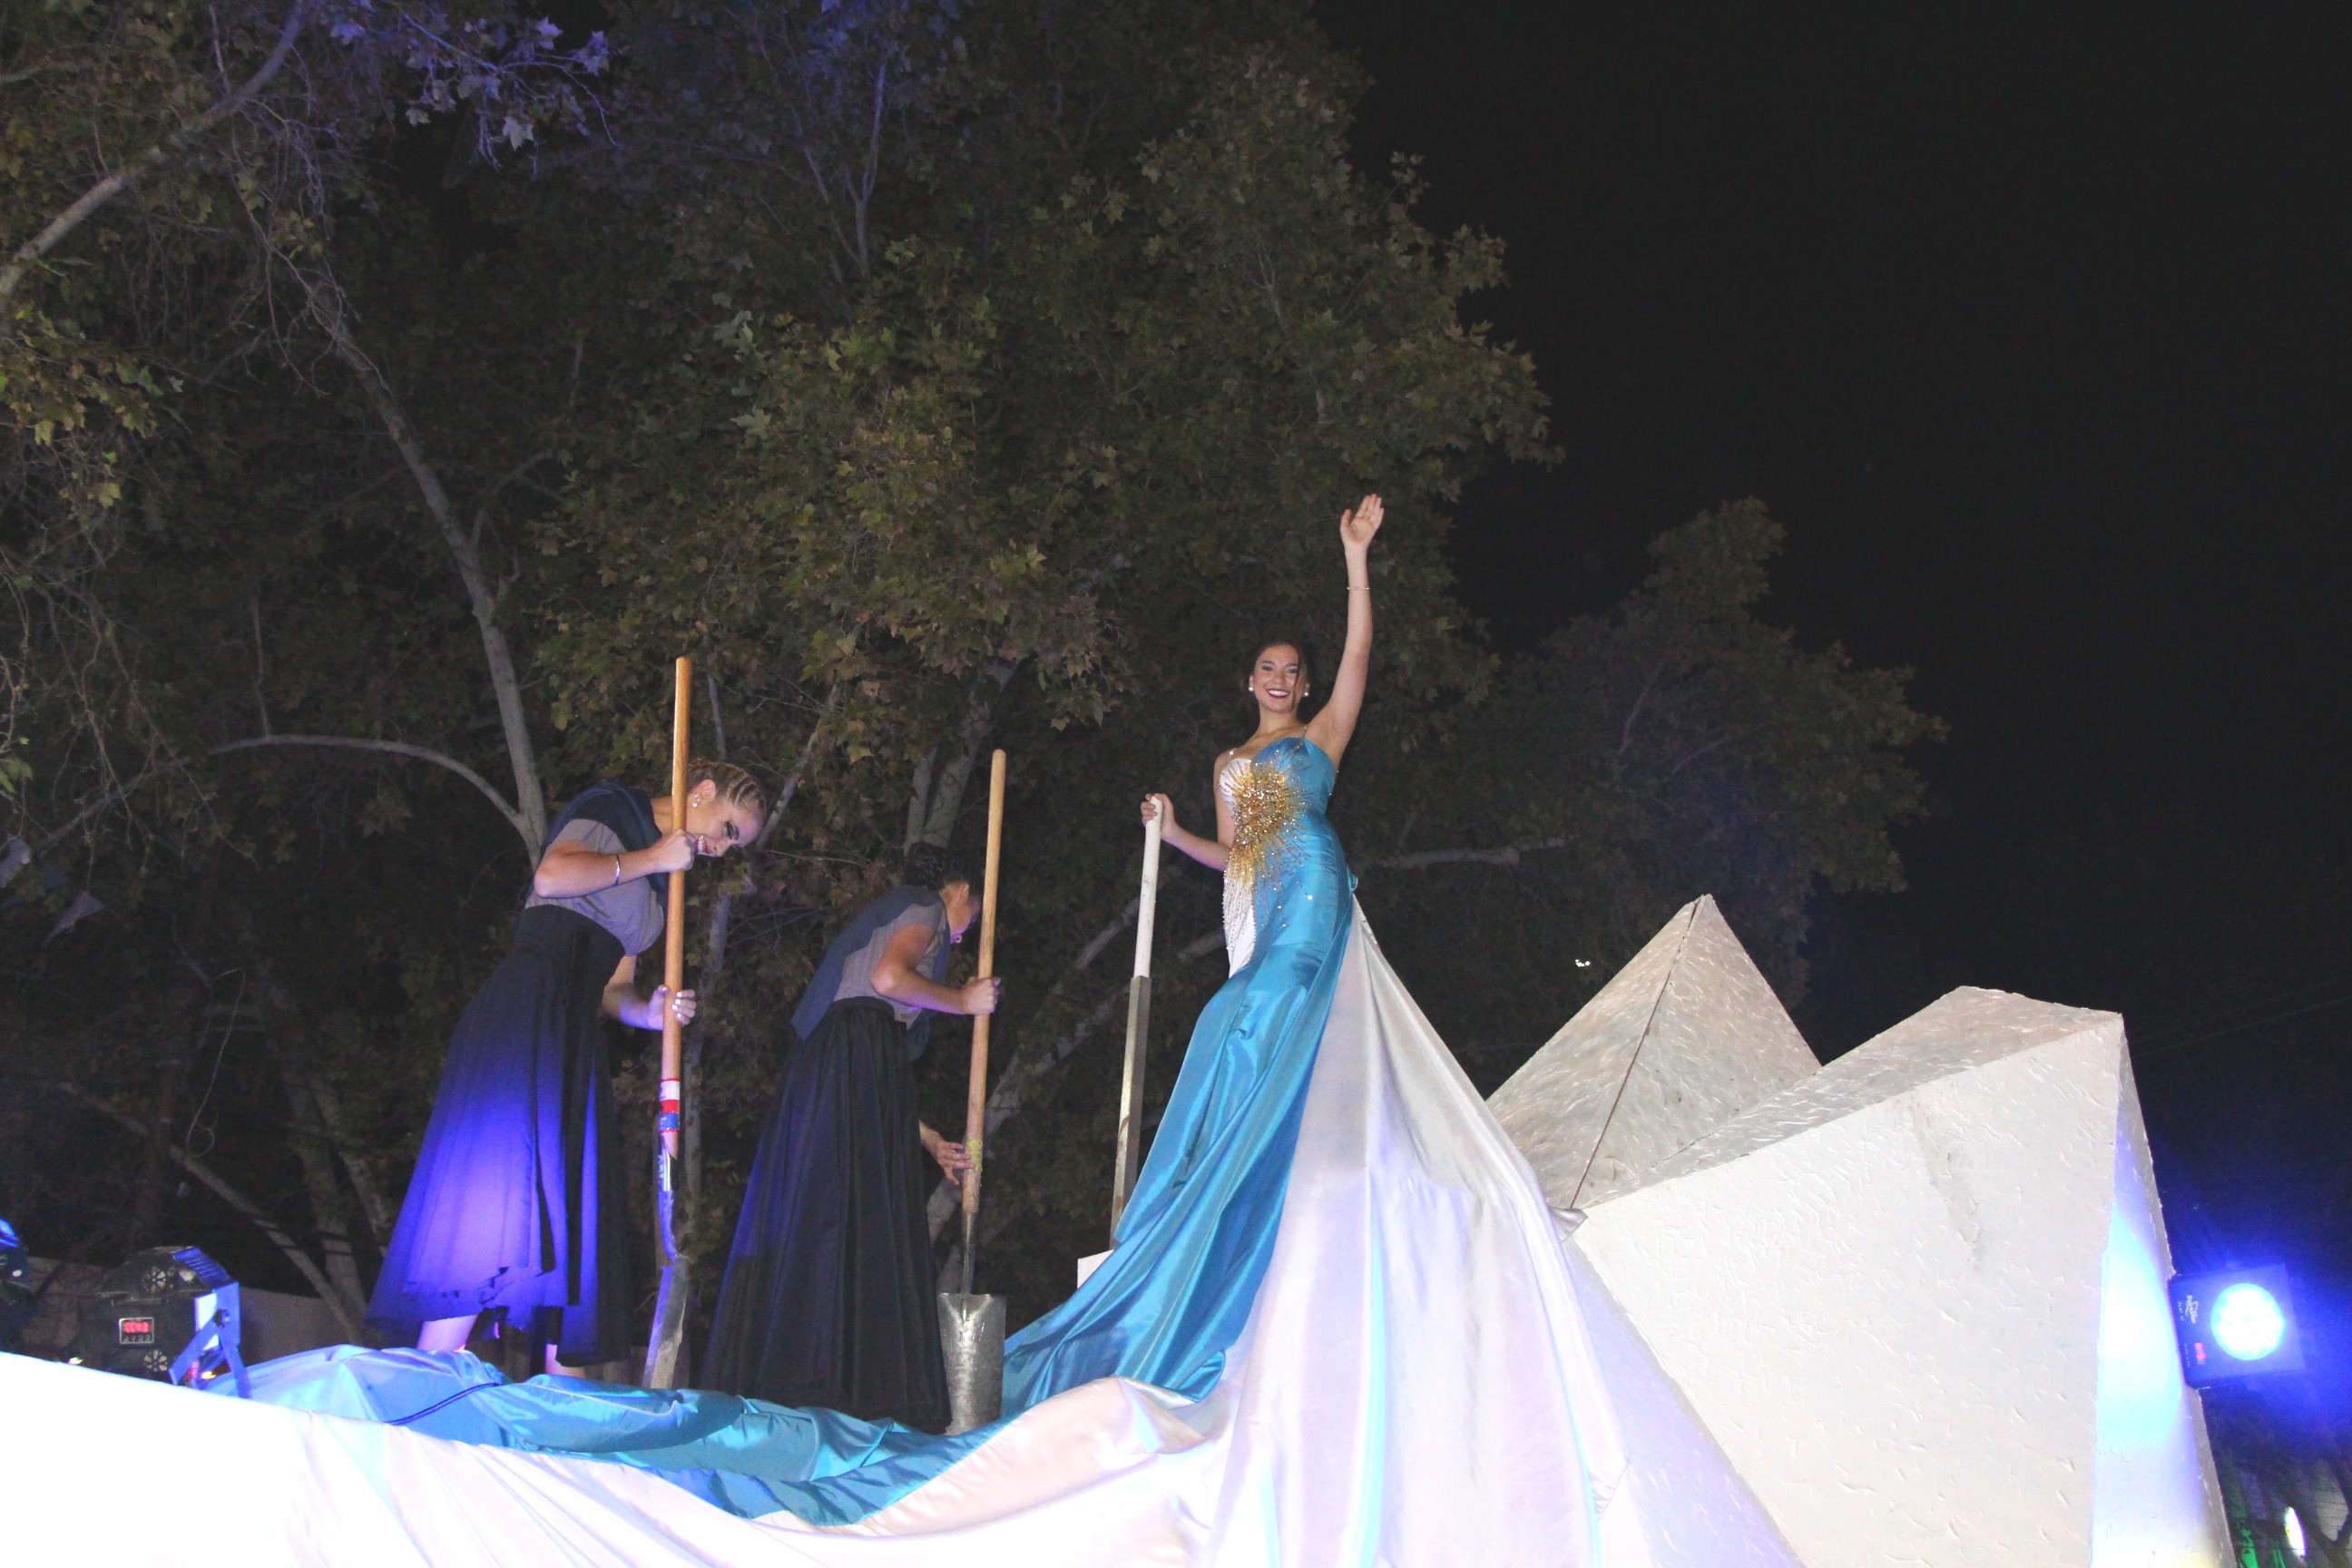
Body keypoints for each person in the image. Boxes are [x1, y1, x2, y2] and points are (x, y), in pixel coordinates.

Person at [996, 494, 1384, 1406]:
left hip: (1312, 886)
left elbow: (1360, 656)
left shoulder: (1321, 737)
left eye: (1293, 670)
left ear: (1304, 686)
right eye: (1268, 668)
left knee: (1266, 1003)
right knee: (1229, 1014)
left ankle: (1260, 1137)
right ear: (1249, 682)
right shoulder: (1227, 764)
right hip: (1260, 898)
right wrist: (1172, 835)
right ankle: (1226, 1165)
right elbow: (1237, 854)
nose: (1281, 679)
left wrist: (1355, 559)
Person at [367, 763, 767, 1375]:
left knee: (566, 1202)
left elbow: (614, 991)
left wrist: (648, 1013)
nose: (724, 846)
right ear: (703, 791)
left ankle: (560, 1394)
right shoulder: (615, 809)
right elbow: (552, 876)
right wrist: (650, 859)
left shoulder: (663, 889)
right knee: (499, 1178)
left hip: (577, 1032)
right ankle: (431, 1370)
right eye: (729, 828)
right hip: (528, 1003)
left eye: (736, 843)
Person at [702, 850, 997, 1430]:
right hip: (851, 1054)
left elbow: (868, 1079)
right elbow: (889, 980)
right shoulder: (925, 907)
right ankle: (817, 1381)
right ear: (961, 890)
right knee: (837, 1219)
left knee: (836, 1216)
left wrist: (928, 1139)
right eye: (974, 916)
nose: (964, 934)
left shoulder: (865, 1022)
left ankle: (825, 1380)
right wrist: (962, 1001)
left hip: (841, 1068)